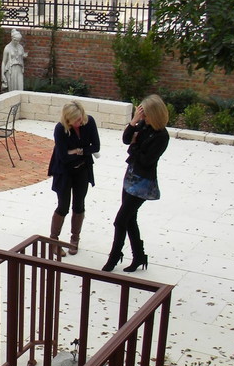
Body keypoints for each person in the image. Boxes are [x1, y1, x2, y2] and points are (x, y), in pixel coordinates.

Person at [102, 94, 170, 273]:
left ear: (154, 114)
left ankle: (114, 256)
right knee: (130, 219)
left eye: (145, 114)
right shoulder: (143, 126)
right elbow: (126, 139)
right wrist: (133, 123)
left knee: (120, 221)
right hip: (131, 176)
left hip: (143, 183)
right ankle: (139, 256)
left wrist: (133, 147)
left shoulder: (162, 136)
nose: (143, 117)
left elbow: (147, 160)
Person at [47, 99, 101, 255]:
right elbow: (63, 158)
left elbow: (96, 146)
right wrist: (84, 151)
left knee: (79, 204)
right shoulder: (60, 129)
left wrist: (77, 151)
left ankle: (74, 239)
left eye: (81, 118)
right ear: (67, 119)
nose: (80, 122)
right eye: (76, 120)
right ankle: (53, 241)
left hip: (82, 169)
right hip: (64, 171)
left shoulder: (89, 122)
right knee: (63, 206)